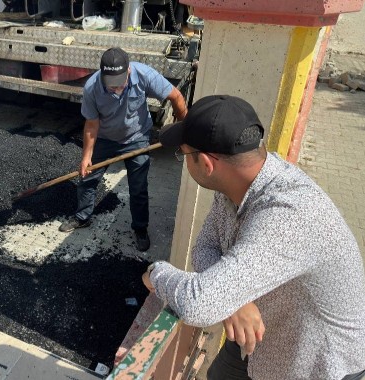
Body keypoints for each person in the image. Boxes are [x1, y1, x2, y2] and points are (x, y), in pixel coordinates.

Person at [142, 95, 365, 379]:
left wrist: (155, 271)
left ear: (207, 164)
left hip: (312, 366)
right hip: (259, 334)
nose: (184, 162)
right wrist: (236, 298)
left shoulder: (288, 215)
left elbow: (198, 304)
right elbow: (204, 247)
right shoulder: (235, 187)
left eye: (183, 154)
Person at [58, 47, 188, 252]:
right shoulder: (92, 87)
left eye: (120, 84)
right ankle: (82, 217)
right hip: (105, 138)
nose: (116, 89)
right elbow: (91, 125)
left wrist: (184, 129)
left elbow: (176, 97)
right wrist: (86, 157)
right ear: (103, 75)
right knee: (87, 178)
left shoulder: (145, 75)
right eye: (111, 85)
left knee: (138, 187)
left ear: (128, 71)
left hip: (137, 137)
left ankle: (140, 229)